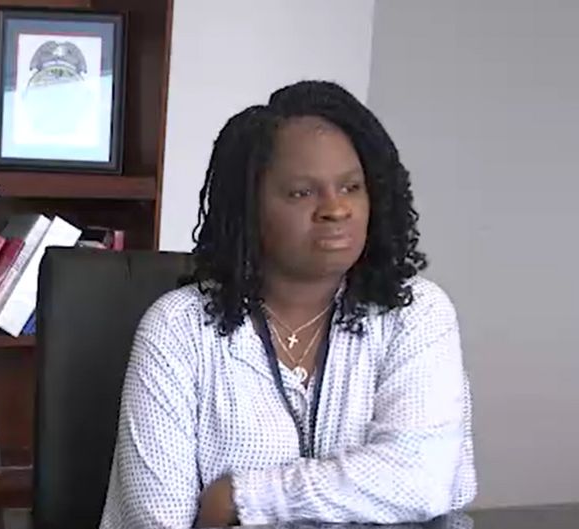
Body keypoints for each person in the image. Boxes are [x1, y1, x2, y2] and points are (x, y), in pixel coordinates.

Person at [99, 80, 477, 529]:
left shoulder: (414, 312)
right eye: (302, 192)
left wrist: (240, 498)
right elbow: (157, 520)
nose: (335, 209)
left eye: (351, 187)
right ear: (249, 208)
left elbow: (421, 478)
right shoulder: (179, 329)